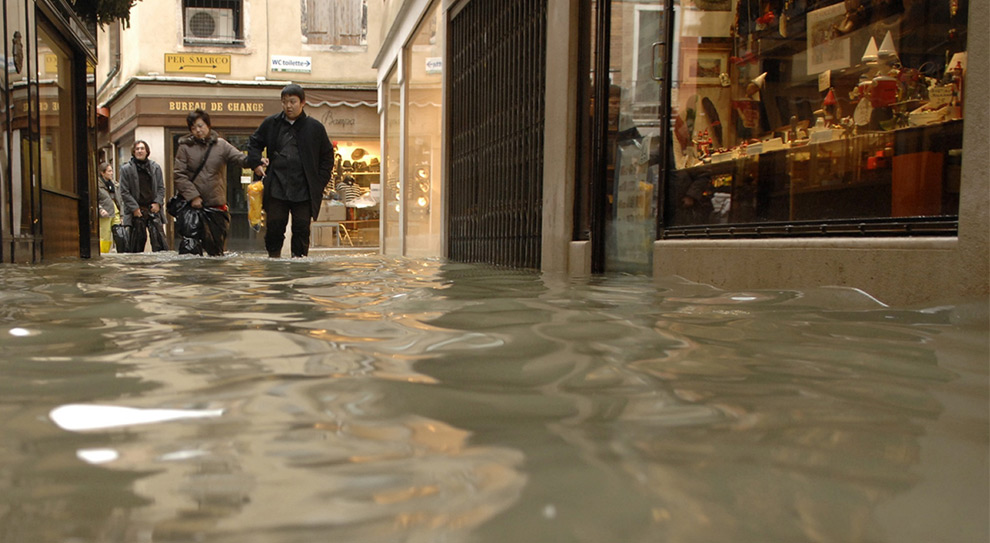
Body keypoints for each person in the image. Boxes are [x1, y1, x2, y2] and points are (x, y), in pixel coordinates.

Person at [246, 83, 334, 257]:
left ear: (303, 103)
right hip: (277, 184)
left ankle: (299, 266)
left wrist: (318, 182)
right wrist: (255, 162)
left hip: (304, 187)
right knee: (274, 227)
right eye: (284, 102)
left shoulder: (315, 127)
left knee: (301, 229)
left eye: (292, 101)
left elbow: (327, 157)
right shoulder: (271, 123)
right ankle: (273, 261)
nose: (288, 106)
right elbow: (254, 142)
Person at [173, 108, 248, 256]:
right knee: (191, 249)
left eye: (200, 126)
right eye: (193, 128)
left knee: (216, 250)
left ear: (208, 125)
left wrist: (256, 161)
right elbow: (179, 174)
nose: (198, 130)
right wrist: (193, 196)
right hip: (192, 207)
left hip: (216, 205)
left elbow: (239, 158)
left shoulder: (221, 145)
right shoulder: (185, 147)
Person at [118, 140, 167, 252]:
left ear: (147, 151)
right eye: (137, 149)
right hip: (136, 211)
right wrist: (134, 208)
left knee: (160, 243)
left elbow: (161, 188)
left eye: (142, 148)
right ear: (133, 152)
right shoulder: (126, 169)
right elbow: (124, 191)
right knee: (135, 245)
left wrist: (158, 203)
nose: (140, 151)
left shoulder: (155, 168)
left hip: (153, 209)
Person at [97, 162, 120, 253]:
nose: (111, 173)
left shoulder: (114, 184)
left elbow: (118, 199)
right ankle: (103, 253)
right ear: (103, 173)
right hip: (105, 212)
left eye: (112, 171)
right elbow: (95, 200)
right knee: (105, 235)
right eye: (109, 171)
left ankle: (120, 249)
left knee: (119, 232)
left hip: (115, 211)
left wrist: (122, 214)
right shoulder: (98, 185)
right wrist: (100, 209)